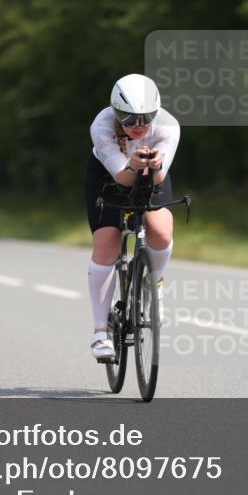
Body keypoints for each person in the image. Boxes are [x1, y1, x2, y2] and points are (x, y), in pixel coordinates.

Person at [84, 74, 180, 361]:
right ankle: (100, 332)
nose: (138, 126)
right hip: (108, 176)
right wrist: (133, 165)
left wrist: (153, 164)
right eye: (128, 119)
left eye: (145, 118)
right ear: (115, 112)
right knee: (107, 243)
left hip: (152, 171)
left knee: (161, 232)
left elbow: (159, 177)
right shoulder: (101, 126)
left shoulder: (168, 125)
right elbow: (123, 178)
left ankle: (156, 280)